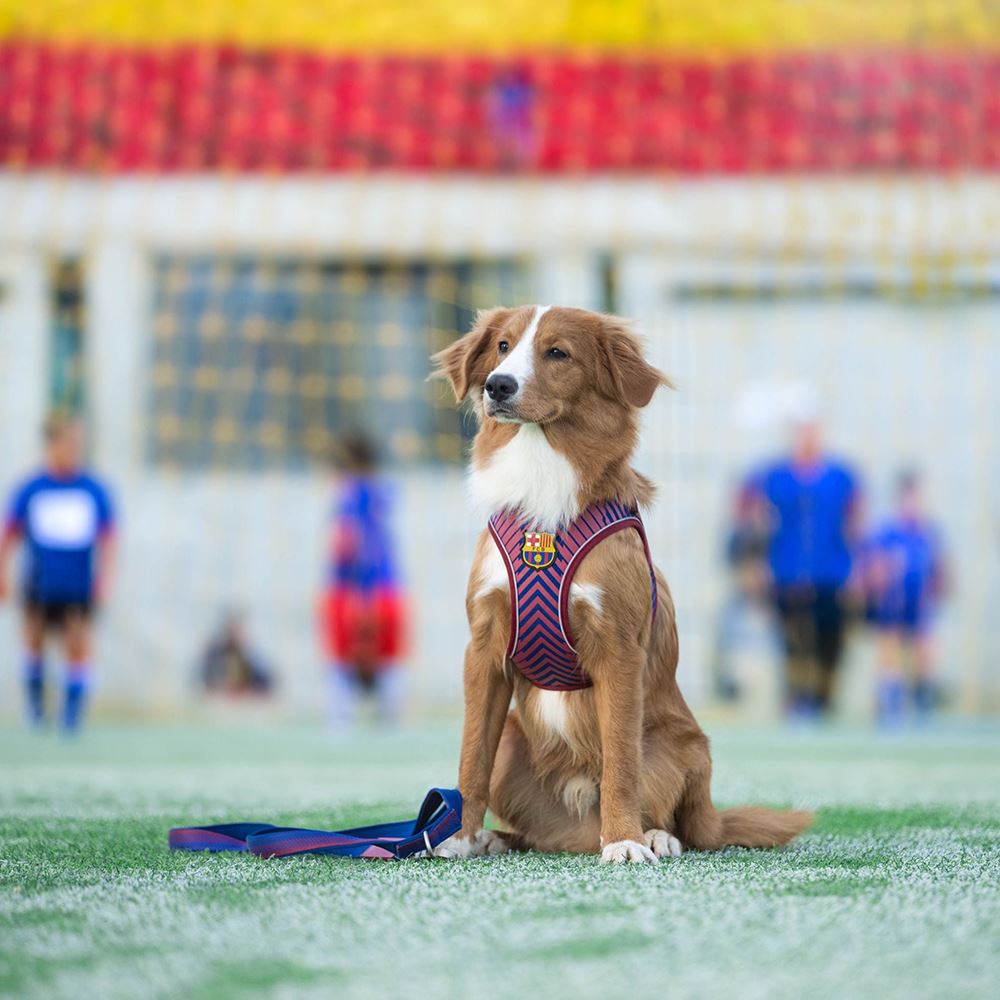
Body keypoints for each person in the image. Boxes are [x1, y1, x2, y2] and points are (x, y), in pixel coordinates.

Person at [0, 414, 116, 732]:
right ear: (51, 444)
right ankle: (36, 709)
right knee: (34, 639)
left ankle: (72, 714)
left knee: (78, 642)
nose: (74, 448)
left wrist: (105, 578)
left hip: (77, 582)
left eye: (77, 442)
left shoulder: (93, 489)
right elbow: (9, 535)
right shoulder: (32, 488)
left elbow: (108, 539)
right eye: (67, 441)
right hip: (40, 580)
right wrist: (3, 575)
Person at [748, 402, 861, 718]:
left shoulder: (841, 476)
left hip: (832, 572)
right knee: (792, 639)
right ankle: (797, 699)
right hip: (787, 570)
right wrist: (757, 565)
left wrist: (858, 569)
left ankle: (824, 699)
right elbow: (758, 520)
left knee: (830, 639)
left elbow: (854, 523)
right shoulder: (776, 476)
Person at [318, 432, 408, 727]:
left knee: (341, 656)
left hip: (351, 589)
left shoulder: (349, 495)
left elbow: (350, 543)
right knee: (387, 655)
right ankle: (390, 717)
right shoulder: (383, 493)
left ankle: (339, 720)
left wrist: (360, 590)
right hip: (389, 587)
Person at [864, 470, 948, 727]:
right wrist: (880, 581)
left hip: (919, 602)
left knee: (925, 647)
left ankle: (923, 701)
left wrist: (938, 588)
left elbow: (939, 568)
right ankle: (891, 701)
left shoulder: (928, 533)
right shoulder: (887, 532)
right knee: (890, 645)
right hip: (893, 601)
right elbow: (873, 567)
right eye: (909, 498)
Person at [199, 610, 274, 697]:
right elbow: (206, 680)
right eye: (232, 627)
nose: (235, 632)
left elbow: (266, 681)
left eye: (238, 628)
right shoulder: (214, 654)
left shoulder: (248, 655)